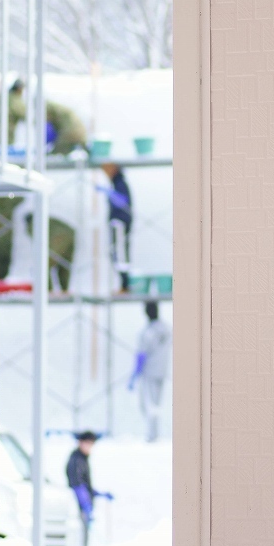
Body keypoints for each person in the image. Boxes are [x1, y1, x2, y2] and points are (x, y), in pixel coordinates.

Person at [129, 301, 172, 442]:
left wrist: (135, 374)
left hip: (149, 372)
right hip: (162, 371)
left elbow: (142, 355)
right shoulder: (167, 329)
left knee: (149, 404)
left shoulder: (147, 332)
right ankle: (155, 433)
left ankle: (153, 435)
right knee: (157, 403)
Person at [65, 430, 110, 546]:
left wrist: (98, 494)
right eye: (88, 443)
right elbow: (77, 485)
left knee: (86, 537)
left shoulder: (82, 459)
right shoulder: (76, 460)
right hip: (78, 507)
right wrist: (85, 504)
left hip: (84, 505)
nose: (90, 447)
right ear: (81, 443)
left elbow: (86, 485)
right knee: (80, 538)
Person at [97, 162, 133, 292]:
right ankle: (124, 285)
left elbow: (122, 202)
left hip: (120, 224)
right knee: (117, 253)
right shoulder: (116, 183)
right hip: (118, 223)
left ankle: (125, 285)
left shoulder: (120, 183)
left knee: (120, 254)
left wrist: (108, 193)